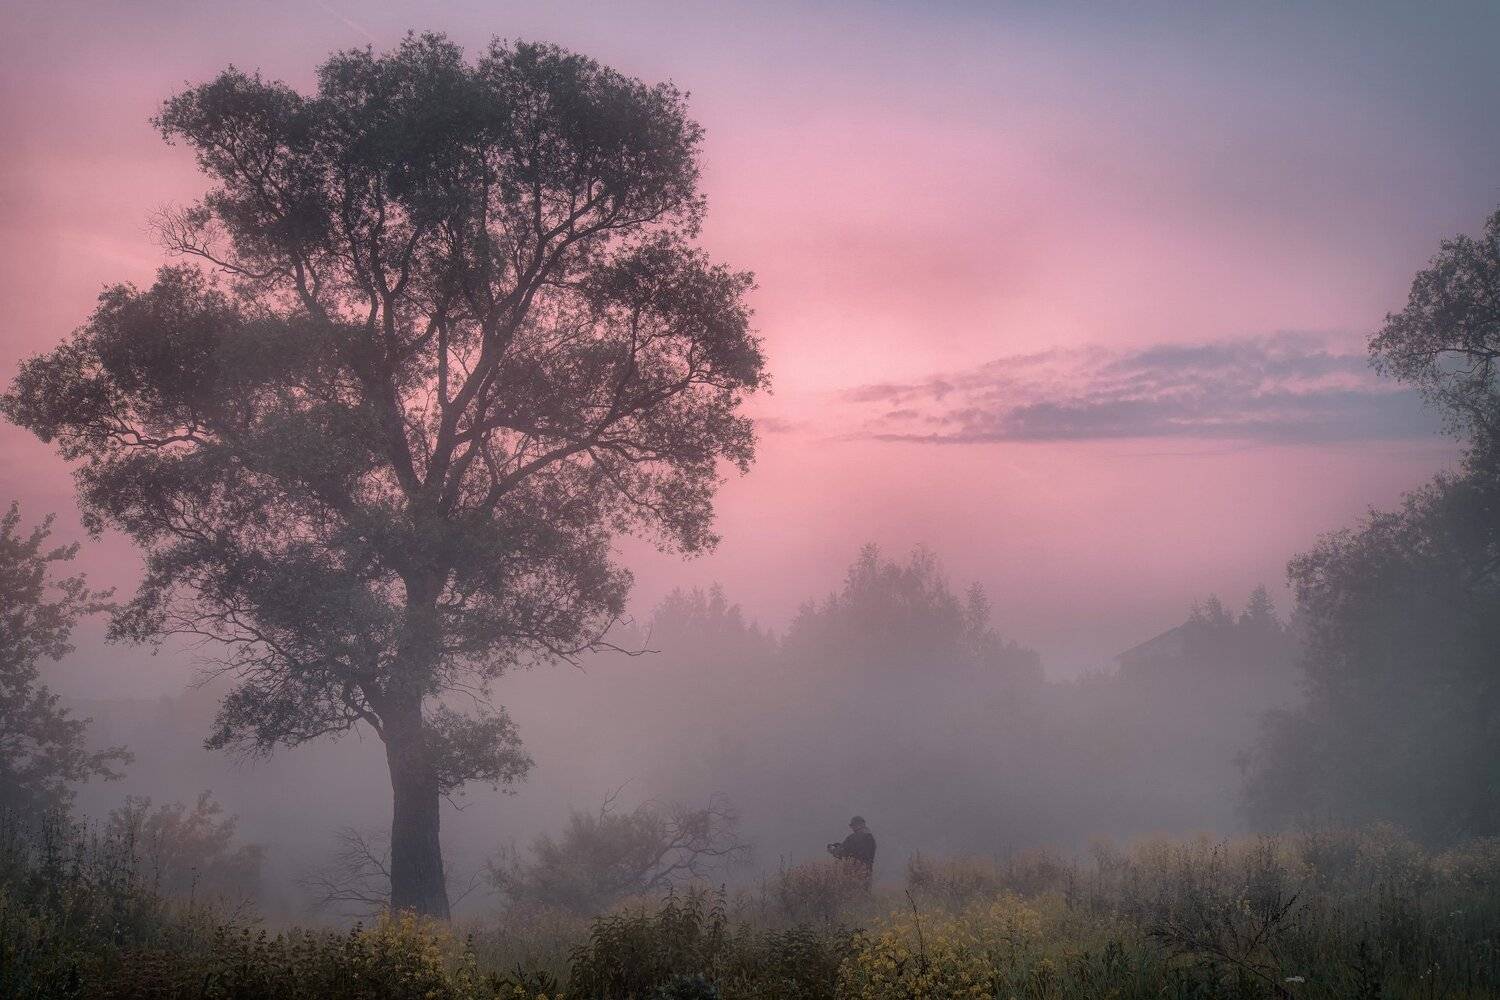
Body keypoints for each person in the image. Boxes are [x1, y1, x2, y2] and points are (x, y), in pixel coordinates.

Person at [827, 815, 876, 884]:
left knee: (852, 893)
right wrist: (840, 846)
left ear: (856, 825)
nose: (852, 828)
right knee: (864, 893)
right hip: (867, 872)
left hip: (854, 873)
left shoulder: (853, 838)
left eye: (852, 826)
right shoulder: (871, 838)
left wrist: (832, 850)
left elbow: (842, 853)